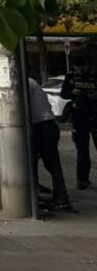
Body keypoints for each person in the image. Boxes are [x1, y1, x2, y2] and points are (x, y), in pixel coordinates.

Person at [28, 77, 71, 210]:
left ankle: (61, 198)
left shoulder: (26, 83)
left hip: (43, 126)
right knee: (32, 162)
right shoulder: (30, 82)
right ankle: (37, 191)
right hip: (42, 126)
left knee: (51, 164)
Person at [61, 54, 97, 190]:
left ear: (87, 65)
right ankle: (82, 179)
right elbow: (63, 94)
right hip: (79, 117)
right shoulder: (70, 77)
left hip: (95, 115)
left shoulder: (94, 75)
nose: (80, 71)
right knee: (82, 150)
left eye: (83, 68)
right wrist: (72, 92)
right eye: (78, 68)